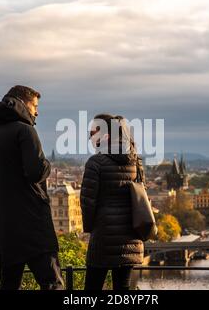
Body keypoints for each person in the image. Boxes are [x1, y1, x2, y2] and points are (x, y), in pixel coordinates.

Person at [0, 85, 64, 290]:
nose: (37, 111)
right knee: (52, 283)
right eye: (35, 105)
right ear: (23, 103)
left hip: (3, 226)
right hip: (31, 223)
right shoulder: (25, 131)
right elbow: (36, 172)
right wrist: (47, 165)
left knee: (8, 285)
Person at [80, 113, 145, 290]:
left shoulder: (95, 162)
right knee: (122, 289)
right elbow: (141, 197)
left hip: (103, 236)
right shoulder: (135, 161)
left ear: (106, 136)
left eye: (92, 133)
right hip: (131, 235)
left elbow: (87, 202)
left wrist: (89, 228)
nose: (89, 137)